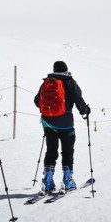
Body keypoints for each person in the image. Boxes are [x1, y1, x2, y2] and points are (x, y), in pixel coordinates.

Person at [34, 60, 90, 194]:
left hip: (48, 124)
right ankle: (67, 180)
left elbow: (37, 101)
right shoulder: (70, 82)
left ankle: (47, 182)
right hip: (66, 124)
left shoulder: (47, 82)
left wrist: (50, 110)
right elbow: (78, 100)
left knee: (51, 150)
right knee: (67, 151)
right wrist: (85, 110)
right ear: (66, 69)